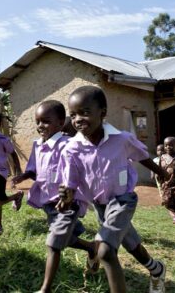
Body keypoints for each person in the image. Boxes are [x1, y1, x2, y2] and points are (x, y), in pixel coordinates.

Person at [58, 86, 168, 293]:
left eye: (85, 112)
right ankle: (157, 269)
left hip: (123, 200)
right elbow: (70, 180)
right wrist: (67, 195)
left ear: (103, 112)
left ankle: (98, 255)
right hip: (100, 205)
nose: (78, 119)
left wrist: (162, 172)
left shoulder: (122, 139)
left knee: (106, 250)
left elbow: (141, 155)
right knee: (130, 243)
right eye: (73, 115)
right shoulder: (71, 148)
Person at [12, 100, 98, 293]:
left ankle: (45, 289)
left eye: (45, 121)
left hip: (68, 203)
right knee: (65, 239)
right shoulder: (38, 145)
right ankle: (92, 247)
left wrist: (69, 194)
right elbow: (35, 170)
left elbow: (78, 169)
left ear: (60, 123)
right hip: (48, 203)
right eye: (37, 122)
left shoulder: (68, 145)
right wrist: (24, 175)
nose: (40, 126)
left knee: (53, 244)